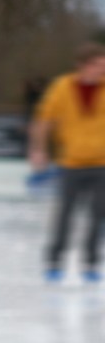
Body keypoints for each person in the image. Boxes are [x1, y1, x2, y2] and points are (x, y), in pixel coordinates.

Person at [29, 42, 105, 283]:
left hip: (101, 163)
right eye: (96, 65)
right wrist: (38, 150)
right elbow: (43, 120)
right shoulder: (63, 87)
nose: (101, 70)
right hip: (71, 162)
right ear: (82, 66)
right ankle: (54, 260)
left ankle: (91, 262)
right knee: (65, 214)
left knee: (98, 215)